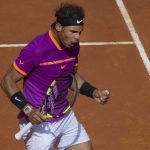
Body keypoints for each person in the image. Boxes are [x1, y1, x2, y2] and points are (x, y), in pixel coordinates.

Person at [1, 3, 110, 150]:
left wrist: (93, 92)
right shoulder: (37, 49)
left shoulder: (72, 46)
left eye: (80, 32)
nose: (77, 37)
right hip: (38, 124)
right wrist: (28, 110)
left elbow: (69, 77)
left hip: (65, 117)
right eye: (73, 31)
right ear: (59, 26)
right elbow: (7, 81)